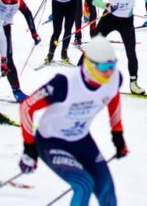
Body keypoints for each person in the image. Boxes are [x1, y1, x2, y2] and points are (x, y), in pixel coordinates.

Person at [18, 37, 126, 206]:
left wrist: (117, 134)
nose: (109, 72)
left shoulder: (114, 79)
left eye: (112, 66)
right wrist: (29, 147)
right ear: (89, 65)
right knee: (84, 184)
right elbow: (26, 107)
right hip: (51, 141)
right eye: (104, 67)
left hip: (80, 140)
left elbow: (113, 98)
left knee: (106, 187)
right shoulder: (64, 83)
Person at [93, 0, 147, 95]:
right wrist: (106, 5)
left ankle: (134, 83)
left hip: (126, 21)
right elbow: (96, 0)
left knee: (131, 52)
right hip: (109, 18)